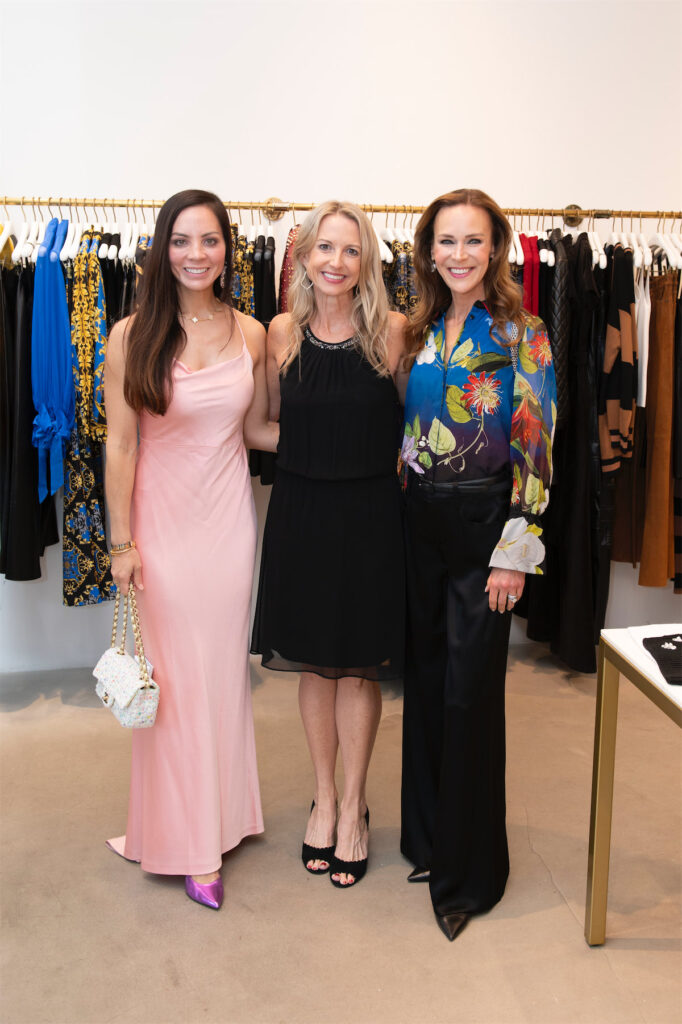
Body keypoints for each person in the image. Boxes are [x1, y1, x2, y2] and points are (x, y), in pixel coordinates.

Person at [104, 189, 278, 910]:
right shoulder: (129, 335)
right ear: (161, 248)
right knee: (173, 687)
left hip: (229, 526)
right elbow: (118, 443)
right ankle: (189, 843)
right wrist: (121, 542)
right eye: (182, 241)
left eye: (209, 240)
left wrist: (359, 448)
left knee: (220, 677)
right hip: (161, 528)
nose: (196, 254)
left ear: (228, 248)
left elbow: (262, 431)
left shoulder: (254, 333)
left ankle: (225, 814)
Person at [399, 189, 556, 940]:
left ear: (495, 249)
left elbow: (538, 445)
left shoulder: (525, 332)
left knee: (469, 698)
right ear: (428, 249)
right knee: (427, 686)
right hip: (420, 524)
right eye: (446, 241)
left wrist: (515, 554)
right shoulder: (422, 328)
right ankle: (430, 842)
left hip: (486, 524)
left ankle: (471, 877)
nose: (459, 254)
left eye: (474, 241)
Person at [251, 200, 406, 887]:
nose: (336, 263)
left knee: (359, 665)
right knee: (315, 662)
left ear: (366, 260)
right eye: (325, 249)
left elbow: (414, 433)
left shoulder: (395, 333)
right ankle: (325, 798)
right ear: (304, 257)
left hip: (371, 513)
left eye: (350, 250)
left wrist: (373, 455)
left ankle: (356, 808)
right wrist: (318, 447)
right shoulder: (279, 331)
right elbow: (257, 427)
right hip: (303, 509)